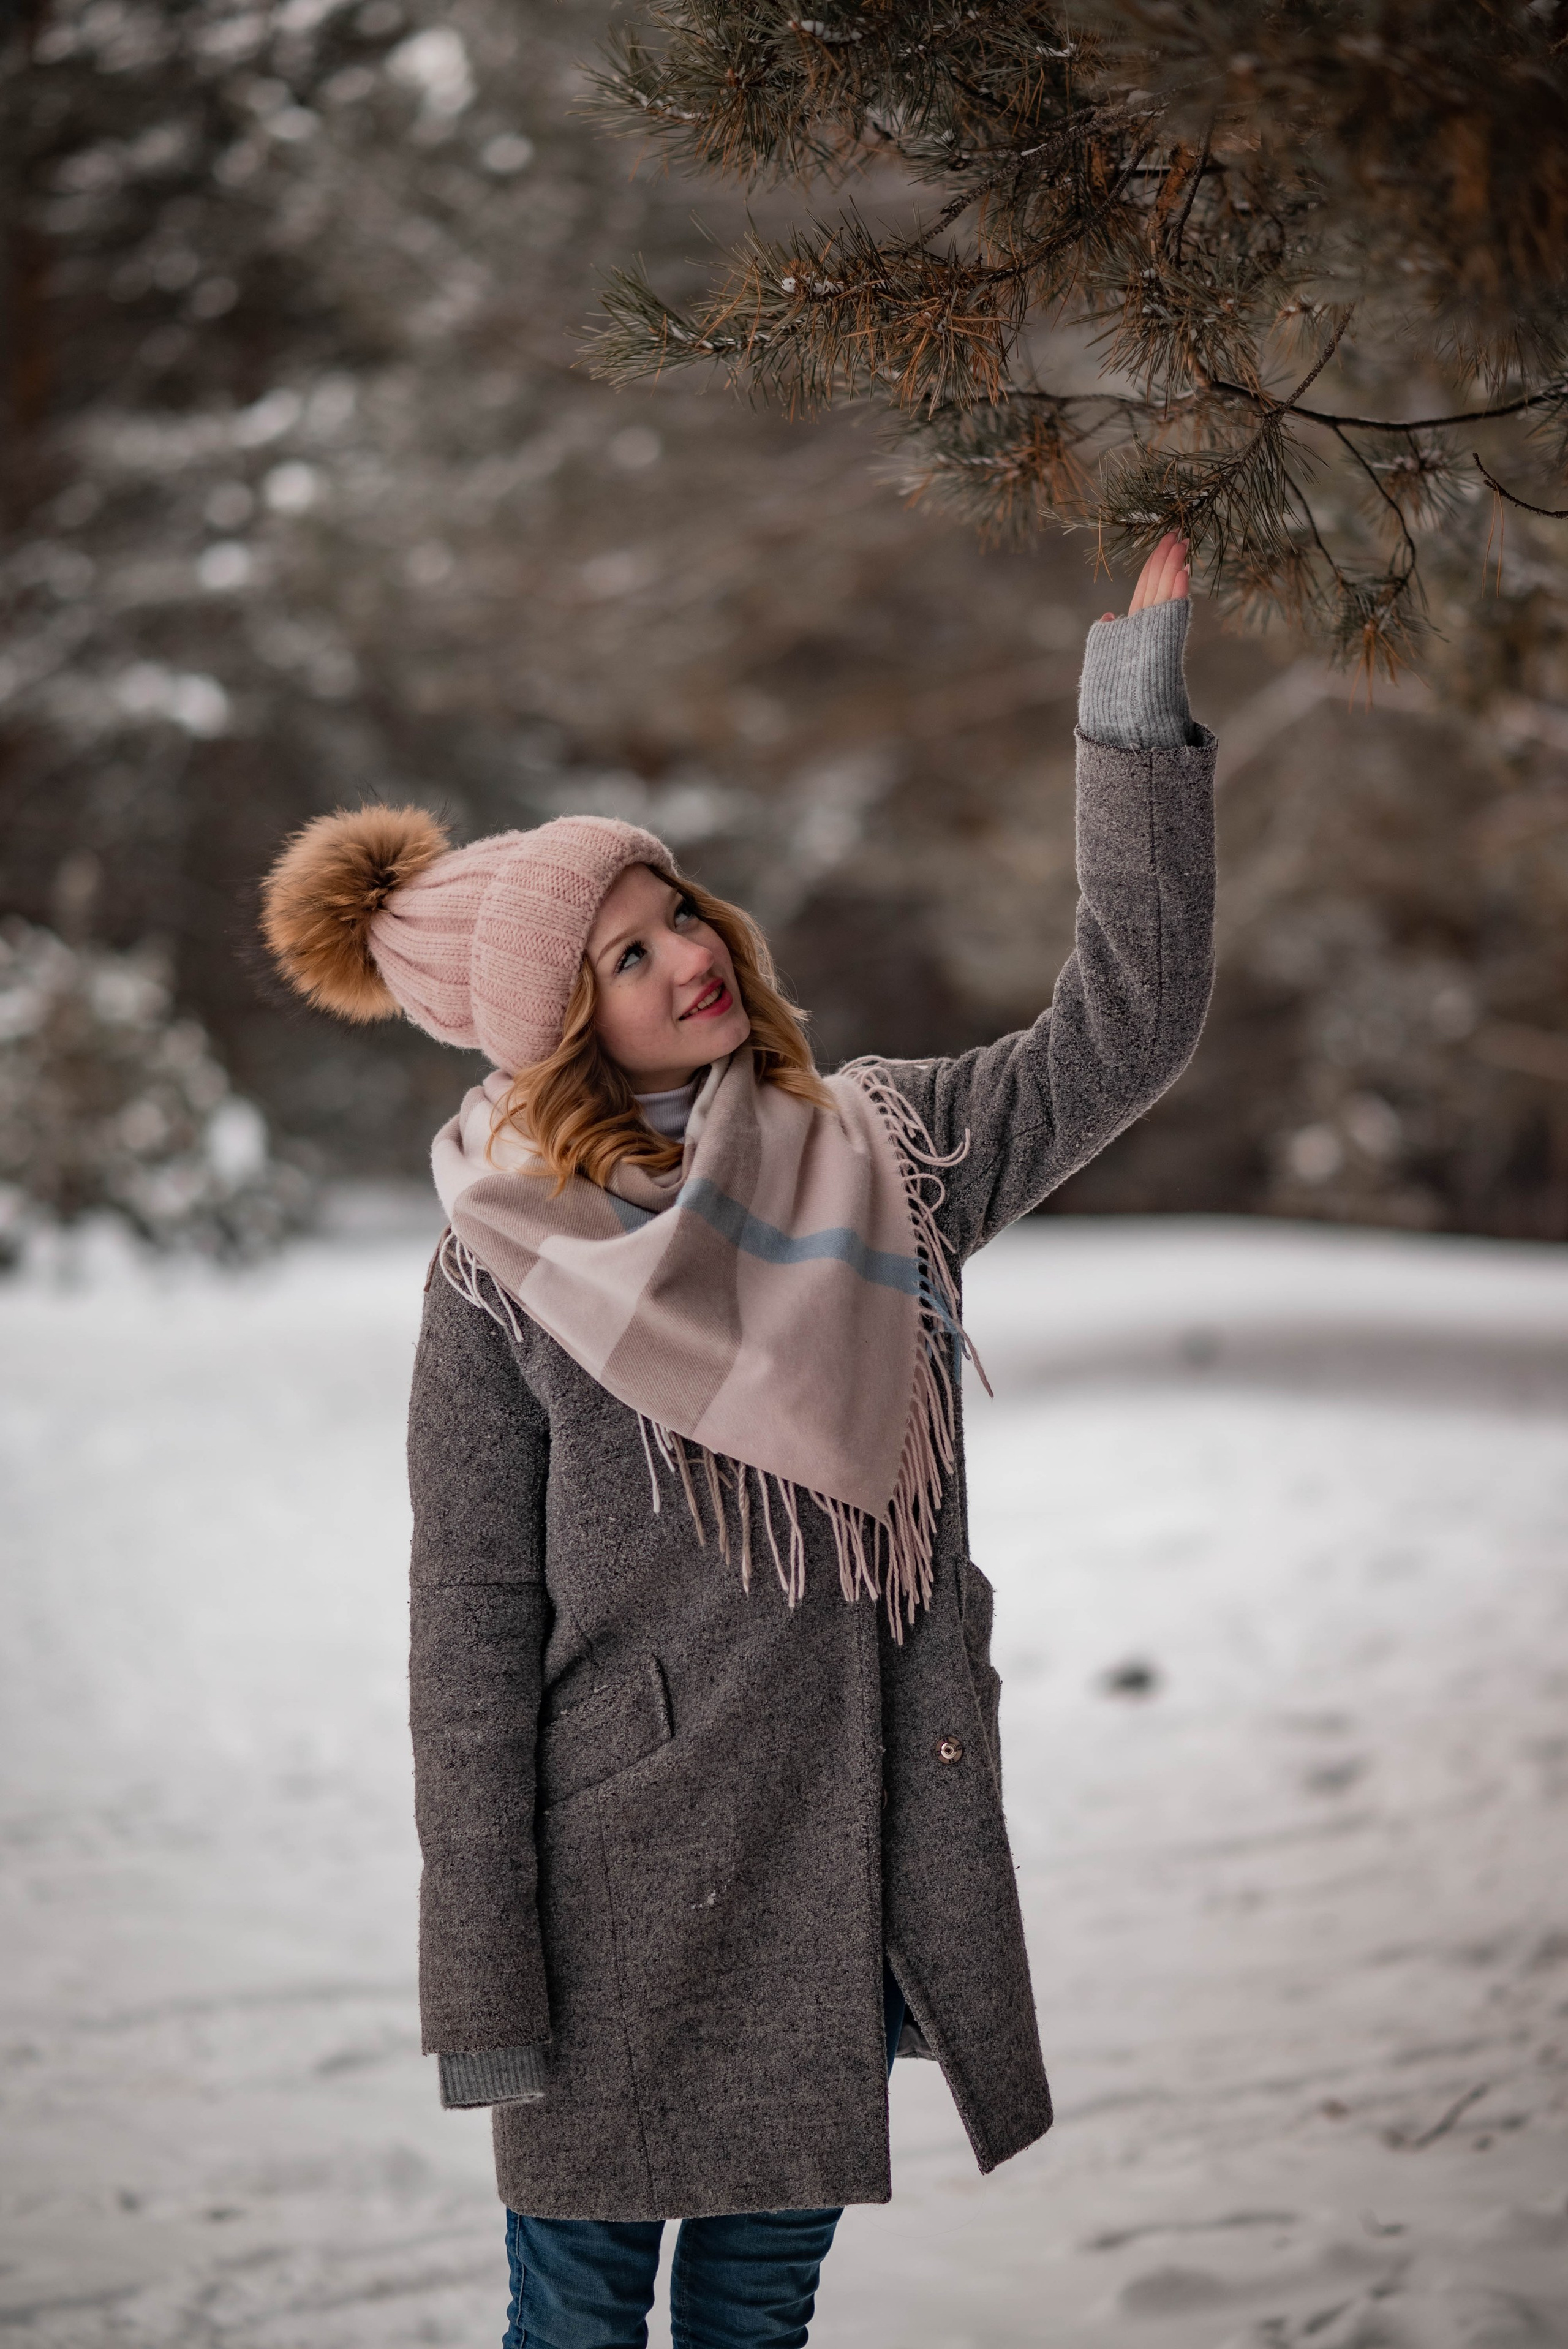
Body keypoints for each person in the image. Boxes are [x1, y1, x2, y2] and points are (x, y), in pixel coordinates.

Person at [259, 534, 1213, 2349]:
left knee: (758, 2318)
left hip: (832, 1846)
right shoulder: (497, 1271)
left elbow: (1130, 1025)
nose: (687, 956)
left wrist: (1132, 717)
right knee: (578, 2323)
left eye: (678, 912)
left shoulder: (887, 1155)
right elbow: (469, 1631)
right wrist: (484, 1973)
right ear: (558, 1024)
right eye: (624, 954)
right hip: (609, 1883)